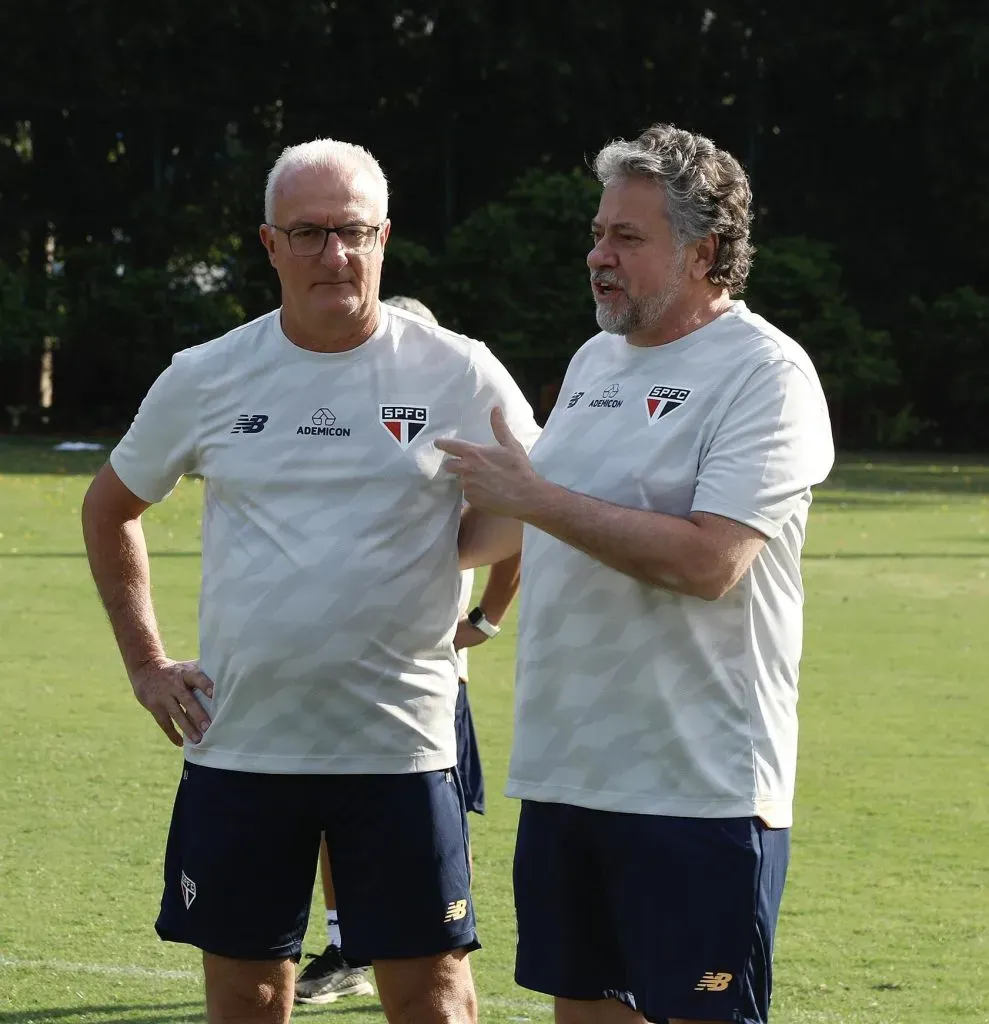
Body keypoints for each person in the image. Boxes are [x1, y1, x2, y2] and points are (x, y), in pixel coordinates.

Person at [81, 138, 540, 1024]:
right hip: (246, 741)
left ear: (384, 239)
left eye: (354, 233)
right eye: (309, 233)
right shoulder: (207, 374)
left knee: (434, 997)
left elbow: (535, 500)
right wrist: (146, 663)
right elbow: (109, 509)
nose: (334, 254)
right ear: (269, 244)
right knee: (249, 996)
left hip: (401, 742)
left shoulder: (457, 368)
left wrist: (445, 571)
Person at [436, 123, 835, 1024]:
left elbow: (710, 560)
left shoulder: (765, 373)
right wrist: (362, 546)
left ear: (706, 251)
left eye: (626, 237)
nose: (597, 255)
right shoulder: (594, 361)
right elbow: (520, 514)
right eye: (597, 232)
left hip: (694, 785)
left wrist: (534, 501)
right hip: (568, 770)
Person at [294, 296, 523, 1006]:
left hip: (426, 676)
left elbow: (520, 526)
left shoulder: (452, 421)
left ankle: (443, 942)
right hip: (327, 674)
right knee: (331, 818)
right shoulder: (339, 423)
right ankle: (346, 943)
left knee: (438, 829)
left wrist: (484, 621)